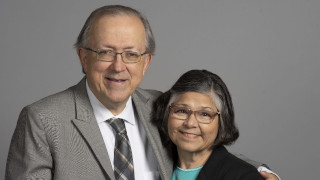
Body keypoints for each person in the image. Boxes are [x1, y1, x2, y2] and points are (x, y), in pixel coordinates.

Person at [5, 5, 279, 180]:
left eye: (131, 54)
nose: (118, 66)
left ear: (146, 62)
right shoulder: (42, 119)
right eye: (105, 52)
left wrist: (258, 171)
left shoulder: (159, 107)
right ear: (83, 58)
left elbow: (202, 146)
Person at [153, 69, 279, 180]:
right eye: (181, 111)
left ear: (222, 121)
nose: (190, 123)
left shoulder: (244, 176)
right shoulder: (152, 165)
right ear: (167, 113)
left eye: (205, 114)